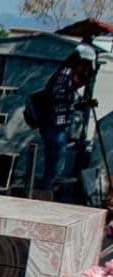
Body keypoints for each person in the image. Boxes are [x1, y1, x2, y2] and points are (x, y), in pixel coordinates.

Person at [34, 43, 99, 202]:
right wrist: (74, 98)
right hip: (53, 123)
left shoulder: (68, 74)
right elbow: (58, 96)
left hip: (57, 123)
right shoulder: (66, 73)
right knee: (57, 162)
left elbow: (68, 101)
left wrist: (83, 103)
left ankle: (45, 189)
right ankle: (45, 191)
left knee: (55, 161)